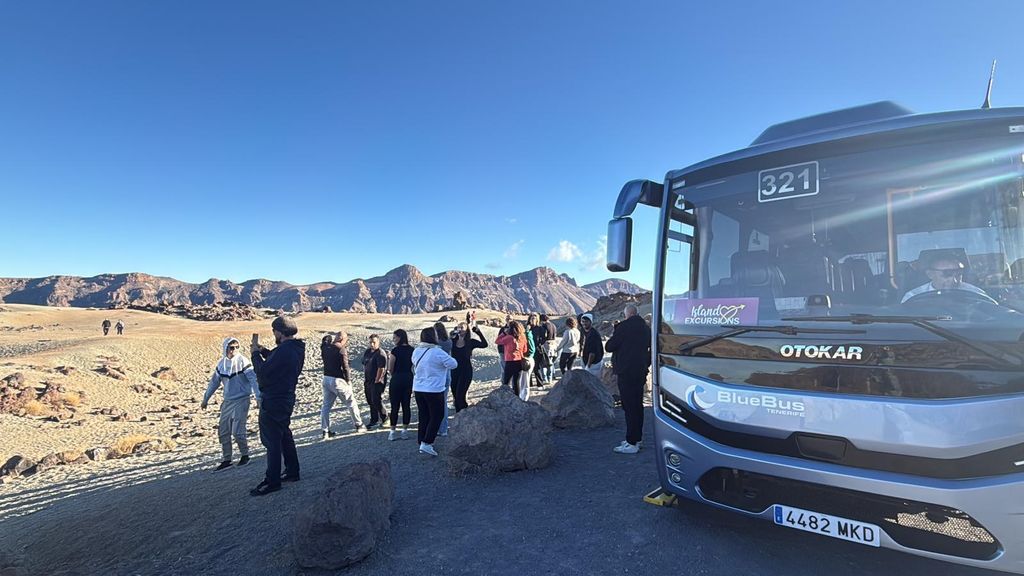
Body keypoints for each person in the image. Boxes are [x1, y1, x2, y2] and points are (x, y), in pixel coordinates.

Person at [249, 316, 305, 496]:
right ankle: (292, 470)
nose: (273, 334)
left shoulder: (284, 350)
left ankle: (272, 481)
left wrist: (255, 355)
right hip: (287, 398)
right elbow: (278, 358)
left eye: (274, 331)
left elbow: (263, 372)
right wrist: (264, 351)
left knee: (272, 440)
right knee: (284, 435)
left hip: (274, 399)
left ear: (280, 332)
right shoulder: (295, 348)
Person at [201, 337, 260, 470]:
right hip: (228, 401)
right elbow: (214, 383)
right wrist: (206, 399)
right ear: (225, 348)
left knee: (238, 431)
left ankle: (245, 455)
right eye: (231, 347)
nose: (234, 350)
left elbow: (253, 380)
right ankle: (227, 459)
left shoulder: (243, 362)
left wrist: (258, 397)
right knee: (223, 430)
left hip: (242, 399)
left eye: (236, 347)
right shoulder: (221, 364)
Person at [605, 304, 652, 454]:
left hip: (626, 372)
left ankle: (632, 442)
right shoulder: (646, 328)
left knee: (629, 407)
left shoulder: (624, 327)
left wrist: (616, 332)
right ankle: (637, 438)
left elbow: (609, 346)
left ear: (627, 314)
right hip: (640, 371)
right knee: (638, 406)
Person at [412, 327, 457, 456]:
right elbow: (454, 364)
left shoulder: (416, 351)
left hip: (419, 388)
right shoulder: (438, 352)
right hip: (434, 389)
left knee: (423, 415)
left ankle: (421, 440)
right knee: (437, 415)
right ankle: (427, 442)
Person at [319, 330, 364, 439]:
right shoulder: (341, 350)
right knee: (351, 402)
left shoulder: (325, 348)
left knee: (326, 406)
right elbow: (345, 367)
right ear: (343, 339)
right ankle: (359, 425)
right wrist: (348, 381)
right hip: (337, 380)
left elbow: (323, 344)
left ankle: (325, 431)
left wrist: (327, 339)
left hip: (326, 378)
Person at [901, 256, 993, 303]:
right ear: (930, 274)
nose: (954, 281)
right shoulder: (912, 297)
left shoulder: (976, 294)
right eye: (947, 274)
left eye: (959, 274)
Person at [450, 321, 488, 412]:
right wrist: (450, 336)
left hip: (465, 371)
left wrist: (478, 332)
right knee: (455, 396)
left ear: (467, 330)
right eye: (458, 327)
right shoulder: (453, 341)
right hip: (454, 371)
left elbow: (484, 344)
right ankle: (458, 417)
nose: (460, 329)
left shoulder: (470, 342)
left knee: (460, 397)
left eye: (462, 327)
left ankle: (464, 417)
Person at [387, 329, 414, 441]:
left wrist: (394, 374)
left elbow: (390, 368)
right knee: (406, 405)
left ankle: (392, 431)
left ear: (400, 337)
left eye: (395, 337)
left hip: (397, 378)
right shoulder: (412, 350)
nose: (393, 340)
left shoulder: (395, 350)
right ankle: (404, 430)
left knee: (395, 406)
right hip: (408, 377)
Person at [361, 334, 389, 429]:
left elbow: (381, 369)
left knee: (376, 400)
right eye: (370, 342)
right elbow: (364, 364)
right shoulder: (367, 352)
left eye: (374, 342)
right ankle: (374, 420)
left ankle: (385, 417)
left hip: (377, 381)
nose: (372, 344)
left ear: (378, 342)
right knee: (370, 400)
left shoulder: (380, 353)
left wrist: (377, 380)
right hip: (368, 380)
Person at [495, 320, 528, 397]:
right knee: (516, 382)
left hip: (510, 361)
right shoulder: (523, 337)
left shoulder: (508, 338)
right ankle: (517, 397)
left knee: (506, 381)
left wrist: (504, 333)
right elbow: (525, 350)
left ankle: (504, 397)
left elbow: (497, 341)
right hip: (519, 361)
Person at [434, 322, 453, 437]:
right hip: (447, 374)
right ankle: (443, 428)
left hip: (437, 375)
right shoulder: (448, 342)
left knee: (435, 404)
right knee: (443, 402)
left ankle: (436, 427)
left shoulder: (436, 344)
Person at [518, 314, 538, 401]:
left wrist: (526, 356)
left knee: (524, 380)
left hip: (527, 359)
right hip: (526, 358)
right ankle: (522, 397)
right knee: (524, 380)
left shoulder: (527, 335)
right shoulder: (527, 334)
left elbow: (531, 349)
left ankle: (524, 398)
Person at [579, 313, 604, 377]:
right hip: (587, 361)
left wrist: (588, 366)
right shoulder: (584, 331)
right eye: (583, 321)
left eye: (586, 321)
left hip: (594, 364)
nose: (584, 323)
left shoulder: (593, 335)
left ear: (591, 322)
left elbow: (592, 353)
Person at [529, 313, 551, 387]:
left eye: (534, 318)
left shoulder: (540, 328)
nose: (532, 320)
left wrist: (539, 343)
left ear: (537, 320)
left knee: (536, 368)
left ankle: (540, 384)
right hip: (528, 350)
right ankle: (529, 384)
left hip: (537, 350)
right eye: (531, 318)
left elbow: (544, 338)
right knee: (528, 368)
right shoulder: (528, 328)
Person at [540, 314, 558, 383]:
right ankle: (551, 377)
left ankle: (545, 379)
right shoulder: (553, 325)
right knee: (551, 362)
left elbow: (544, 335)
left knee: (544, 362)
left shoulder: (544, 326)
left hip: (546, 344)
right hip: (553, 344)